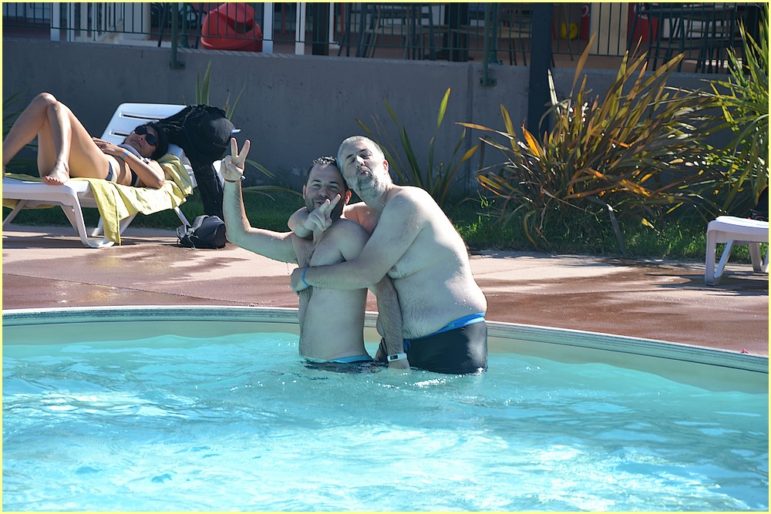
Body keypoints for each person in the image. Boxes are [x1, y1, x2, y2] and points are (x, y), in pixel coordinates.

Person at [289, 136, 488, 374]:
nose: (358, 161)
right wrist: (304, 222)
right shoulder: (362, 215)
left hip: (451, 339)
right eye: (350, 160)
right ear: (347, 182)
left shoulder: (408, 201)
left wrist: (305, 277)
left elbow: (368, 272)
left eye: (365, 155)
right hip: (398, 345)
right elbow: (304, 216)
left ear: (384, 165)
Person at [221, 138, 405, 369]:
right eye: (316, 185)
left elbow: (385, 291)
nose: (323, 193)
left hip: (347, 367)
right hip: (311, 368)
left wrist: (396, 357)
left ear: (347, 197)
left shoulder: (348, 235)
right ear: (304, 191)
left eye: (333, 187)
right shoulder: (299, 243)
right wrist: (232, 181)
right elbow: (238, 235)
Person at [3, 92, 168, 188]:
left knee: (57, 107)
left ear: (154, 151)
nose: (142, 137)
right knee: (45, 99)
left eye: (150, 139)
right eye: (140, 130)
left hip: (104, 173)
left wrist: (121, 152)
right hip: (61, 166)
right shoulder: (108, 146)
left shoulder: (148, 162)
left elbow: (158, 182)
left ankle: (62, 166)